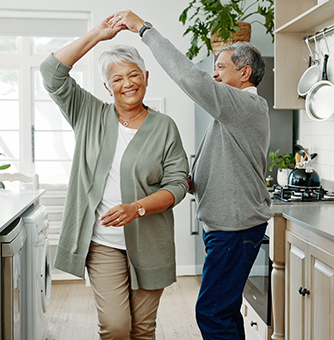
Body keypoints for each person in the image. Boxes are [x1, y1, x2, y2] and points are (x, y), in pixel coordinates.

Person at [109, 11, 273, 340]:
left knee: (211, 312)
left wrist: (144, 29)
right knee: (223, 310)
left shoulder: (243, 105)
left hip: (234, 228)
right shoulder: (235, 112)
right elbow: (224, 161)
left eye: (220, 67)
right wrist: (186, 182)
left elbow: (189, 77)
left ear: (244, 73)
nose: (213, 75)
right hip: (229, 226)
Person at [39, 16, 189, 340]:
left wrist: (137, 208)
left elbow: (178, 184)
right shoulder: (88, 113)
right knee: (116, 327)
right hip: (102, 242)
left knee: (144, 329)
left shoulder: (165, 127)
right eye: (117, 78)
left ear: (146, 78)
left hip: (151, 242)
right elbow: (51, 73)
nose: (127, 83)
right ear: (107, 87)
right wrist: (97, 34)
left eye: (133, 74)